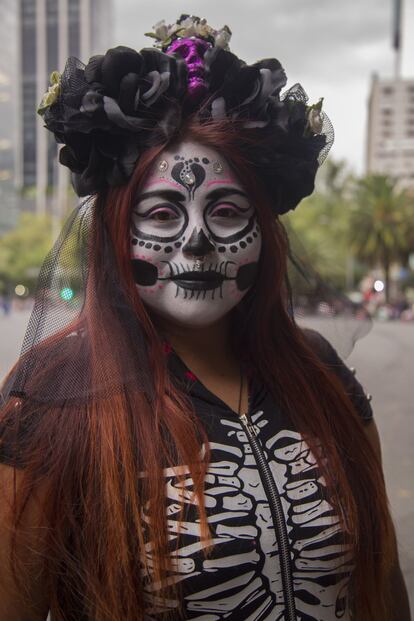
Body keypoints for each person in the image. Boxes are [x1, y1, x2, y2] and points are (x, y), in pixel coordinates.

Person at [0, 14, 411, 621]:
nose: (196, 243)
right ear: (117, 234)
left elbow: (384, 588)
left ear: (263, 235)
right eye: (163, 215)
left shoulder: (321, 373)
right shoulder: (53, 399)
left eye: (225, 211)